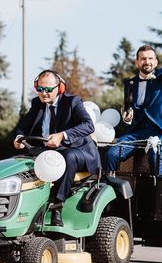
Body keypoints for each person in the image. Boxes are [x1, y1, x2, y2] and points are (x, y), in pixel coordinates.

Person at [14, 70, 99, 226]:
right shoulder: (36, 104)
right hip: (49, 152)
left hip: (78, 151)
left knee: (67, 157)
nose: (44, 93)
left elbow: (88, 126)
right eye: (40, 89)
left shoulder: (73, 102)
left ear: (59, 88)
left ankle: (57, 206)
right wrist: (18, 138)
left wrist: (62, 135)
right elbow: (21, 128)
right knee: (17, 161)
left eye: (48, 89)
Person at [104, 25, 162, 177]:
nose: (147, 61)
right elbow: (128, 110)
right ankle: (110, 188)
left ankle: (157, 193)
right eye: (143, 59)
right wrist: (127, 118)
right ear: (137, 62)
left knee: (155, 151)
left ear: (155, 61)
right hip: (138, 132)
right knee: (112, 153)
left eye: (150, 58)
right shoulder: (130, 84)